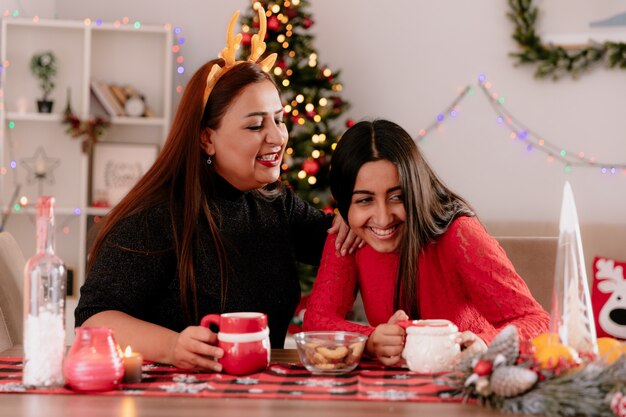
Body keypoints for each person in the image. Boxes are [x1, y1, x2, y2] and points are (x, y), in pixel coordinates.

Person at [75, 8, 356, 372]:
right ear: (207, 138)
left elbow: (347, 241)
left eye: (279, 119)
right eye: (255, 126)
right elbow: (93, 319)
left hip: (260, 396)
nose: (277, 137)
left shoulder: (276, 204)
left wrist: (357, 216)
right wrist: (173, 345)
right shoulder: (156, 216)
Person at [303, 119, 550, 366]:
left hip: (464, 381)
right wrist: (369, 340)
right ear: (344, 204)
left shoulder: (459, 234)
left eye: (397, 196)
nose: (383, 217)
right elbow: (316, 323)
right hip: (393, 395)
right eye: (364, 200)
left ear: (416, 188)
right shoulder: (350, 233)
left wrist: (485, 344)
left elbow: (539, 322)